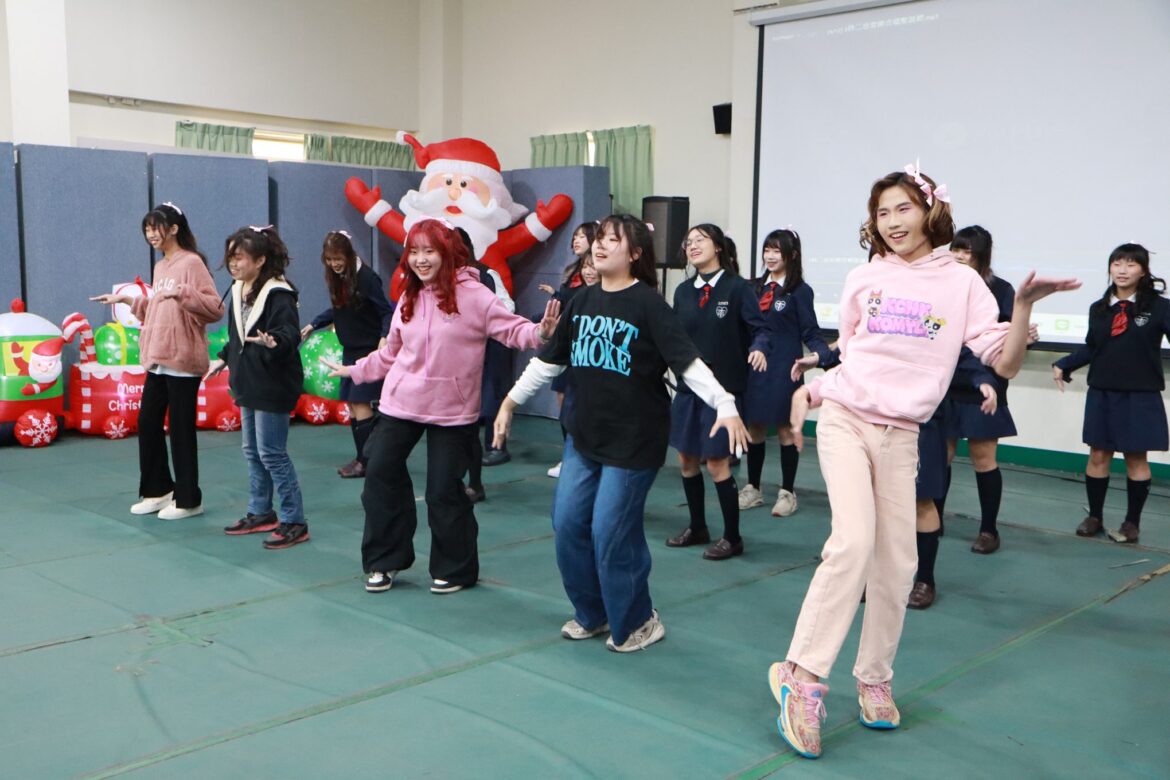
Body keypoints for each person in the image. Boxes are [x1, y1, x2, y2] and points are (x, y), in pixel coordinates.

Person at [769, 165, 1079, 759]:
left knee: (897, 560)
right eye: (882, 212)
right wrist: (812, 387)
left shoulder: (963, 284)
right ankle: (802, 680)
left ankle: (874, 678)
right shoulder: (864, 278)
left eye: (903, 208)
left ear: (930, 212)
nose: (892, 222)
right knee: (853, 543)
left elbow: (1006, 364)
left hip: (904, 434)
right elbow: (856, 355)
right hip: (846, 419)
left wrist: (1022, 310)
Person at [494, 214, 750, 653]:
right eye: (599, 238)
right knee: (569, 524)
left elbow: (687, 363)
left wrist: (725, 404)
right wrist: (509, 402)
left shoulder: (650, 305)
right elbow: (549, 362)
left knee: (610, 531)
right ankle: (592, 613)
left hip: (633, 444)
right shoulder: (580, 301)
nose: (601, 245)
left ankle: (637, 620)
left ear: (634, 253)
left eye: (614, 240)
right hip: (584, 438)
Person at [323, 218, 560, 594]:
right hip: (400, 403)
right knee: (380, 475)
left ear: (446, 253)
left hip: (452, 409)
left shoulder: (476, 294)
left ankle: (455, 568)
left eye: (428, 251)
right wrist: (354, 370)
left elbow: (512, 329)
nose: (420, 259)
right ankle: (385, 560)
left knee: (443, 490)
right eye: (413, 251)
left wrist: (541, 332)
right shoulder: (409, 296)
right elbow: (392, 354)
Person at [90, 202, 223, 520]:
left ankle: (189, 499)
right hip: (159, 356)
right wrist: (127, 300)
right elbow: (160, 306)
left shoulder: (192, 263)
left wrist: (185, 295)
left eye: (156, 227)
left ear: (174, 228)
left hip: (183, 358)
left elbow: (215, 308)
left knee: (180, 430)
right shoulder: (161, 266)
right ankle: (158, 490)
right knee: (148, 423)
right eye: (147, 228)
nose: (151, 234)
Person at [665, 223, 769, 560]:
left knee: (717, 464)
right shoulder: (682, 292)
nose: (692, 246)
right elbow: (672, 336)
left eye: (700, 240)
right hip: (687, 389)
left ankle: (732, 537)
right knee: (686, 459)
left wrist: (760, 347)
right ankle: (698, 526)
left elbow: (759, 329)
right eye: (688, 241)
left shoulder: (738, 288)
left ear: (719, 247)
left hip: (724, 391)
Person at [1054, 242, 1169, 544]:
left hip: (1140, 394)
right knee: (1098, 455)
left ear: (1143, 270)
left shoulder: (1159, 307)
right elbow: (1094, 347)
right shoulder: (1100, 308)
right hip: (1103, 391)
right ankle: (1094, 516)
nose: (1122, 269)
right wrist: (1064, 363)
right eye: (1117, 263)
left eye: (1131, 264)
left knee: (1136, 459)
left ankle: (1132, 522)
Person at [207, 226, 308, 549]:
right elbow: (238, 334)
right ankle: (261, 511)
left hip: (273, 382)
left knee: (273, 454)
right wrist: (224, 357)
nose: (233, 265)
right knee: (252, 451)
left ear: (261, 259)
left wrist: (274, 341)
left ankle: (295, 520)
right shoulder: (239, 288)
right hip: (248, 380)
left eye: (239, 258)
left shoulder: (279, 293)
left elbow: (289, 335)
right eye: (230, 258)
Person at [937, 226, 1022, 553]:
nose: (958, 256)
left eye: (967, 251)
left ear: (982, 255)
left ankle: (989, 530)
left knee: (983, 457)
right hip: (944, 384)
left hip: (983, 384)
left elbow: (1005, 338)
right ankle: (935, 517)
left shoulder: (1000, 289)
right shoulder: (942, 285)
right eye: (955, 249)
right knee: (939, 456)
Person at [740, 228, 832, 517]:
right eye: (767, 249)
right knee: (754, 426)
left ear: (791, 255)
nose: (769, 255)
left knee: (784, 429)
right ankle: (753, 488)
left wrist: (824, 356)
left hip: (784, 368)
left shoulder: (799, 292)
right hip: (754, 368)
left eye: (776, 250)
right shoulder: (753, 287)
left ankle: (787, 492)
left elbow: (811, 331)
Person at [300, 230, 394, 479]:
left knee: (362, 403)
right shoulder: (339, 277)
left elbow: (386, 310)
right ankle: (363, 457)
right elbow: (339, 309)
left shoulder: (367, 278)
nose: (334, 263)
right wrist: (314, 323)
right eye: (329, 259)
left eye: (338, 258)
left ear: (349, 254)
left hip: (367, 349)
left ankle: (368, 461)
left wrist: (384, 336)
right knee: (353, 405)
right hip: (350, 349)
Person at [538, 221, 599, 478]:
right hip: (567, 349)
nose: (575, 240)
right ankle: (570, 455)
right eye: (573, 237)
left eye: (581, 236)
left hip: (587, 357)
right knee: (565, 403)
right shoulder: (574, 271)